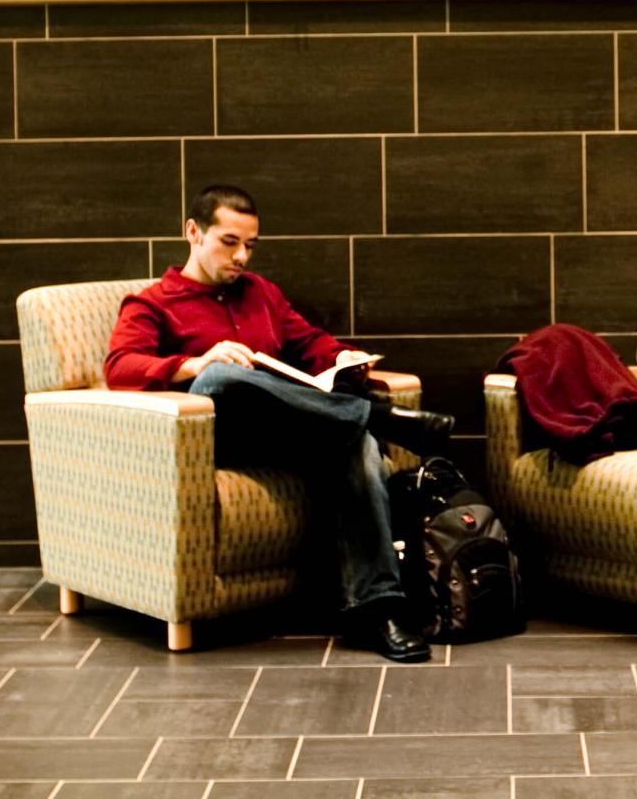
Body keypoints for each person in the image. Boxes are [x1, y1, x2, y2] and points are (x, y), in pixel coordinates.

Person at [105, 184, 453, 662]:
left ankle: (378, 610)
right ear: (193, 233)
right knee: (223, 375)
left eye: (250, 245)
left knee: (356, 447)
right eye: (230, 242)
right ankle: (379, 417)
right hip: (218, 437)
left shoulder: (262, 295)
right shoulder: (152, 303)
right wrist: (195, 364)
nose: (242, 256)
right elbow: (120, 367)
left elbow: (311, 343)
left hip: (291, 431)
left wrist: (343, 357)